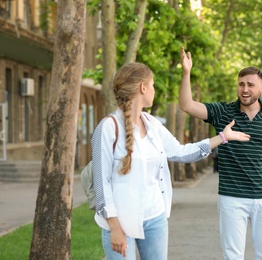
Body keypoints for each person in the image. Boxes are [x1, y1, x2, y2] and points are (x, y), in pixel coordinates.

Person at [91, 62, 250, 260]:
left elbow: (180, 153)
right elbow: (101, 183)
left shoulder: (152, 124)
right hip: (120, 221)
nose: (154, 90)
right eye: (153, 85)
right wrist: (113, 226)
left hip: (155, 217)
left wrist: (222, 138)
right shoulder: (107, 128)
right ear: (143, 87)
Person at [179, 47, 262, 260]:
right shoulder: (223, 111)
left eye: (250, 85)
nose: (245, 89)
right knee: (232, 256)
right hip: (231, 197)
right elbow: (186, 105)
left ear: (261, 88)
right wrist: (186, 73)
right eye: (241, 84)